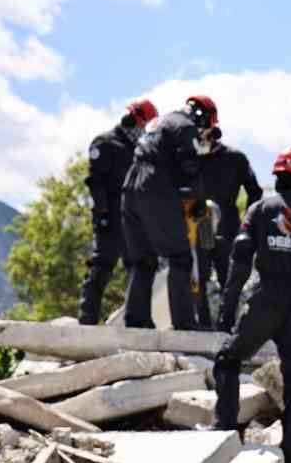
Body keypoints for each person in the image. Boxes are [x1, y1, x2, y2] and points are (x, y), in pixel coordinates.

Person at [215, 148, 291, 463]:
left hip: (266, 298)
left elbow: (240, 259)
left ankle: (224, 432)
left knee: (229, 359)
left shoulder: (259, 210)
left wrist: (228, 304)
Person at [120, 94, 218, 330]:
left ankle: (136, 321)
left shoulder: (159, 122)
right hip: (156, 189)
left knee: (143, 260)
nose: (203, 131)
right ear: (200, 116)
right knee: (180, 257)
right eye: (205, 125)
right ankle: (184, 323)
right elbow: (190, 167)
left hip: (130, 187)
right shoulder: (185, 126)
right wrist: (198, 201)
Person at [76, 98, 156, 325]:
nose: (143, 131)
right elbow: (95, 181)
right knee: (102, 265)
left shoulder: (140, 150)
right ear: (132, 120)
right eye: (143, 125)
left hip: (133, 219)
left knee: (138, 267)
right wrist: (102, 213)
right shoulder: (105, 143)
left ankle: (138, 320)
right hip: (109, 216)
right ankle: (87, 319)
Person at [199, 135, 264, 320]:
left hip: (228, 226)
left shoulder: (236, 158)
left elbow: (255, 192)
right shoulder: (191, 157)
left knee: (230, 279)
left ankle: (228, 324)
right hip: (201, 225)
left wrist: (247, 224)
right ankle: (202, 324)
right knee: (199, 276)